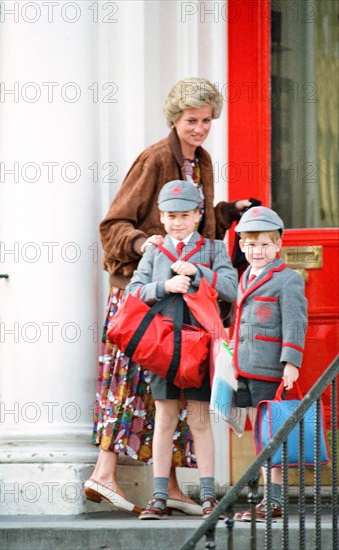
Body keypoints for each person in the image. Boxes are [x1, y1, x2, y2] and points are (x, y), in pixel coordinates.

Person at [85, 77, 251, 515]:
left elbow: (198, 226)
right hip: (143, 296)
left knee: (169, 396)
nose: (200, 128)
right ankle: (104, 474)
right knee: (132, 388)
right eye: (191, 120)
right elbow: (114, 226)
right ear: (175, 119)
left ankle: (173, 489)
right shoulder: (155, 158)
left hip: (186, 305)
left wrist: (228, 213)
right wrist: (148, 246)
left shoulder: (202, 160)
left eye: (207, 120)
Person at [125, 180, 238, 519]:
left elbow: (231, 289)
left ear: (198, 216)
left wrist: (198, 272)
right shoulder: (155, 251)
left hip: (201, 347)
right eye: (171, 216)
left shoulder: (215, 249)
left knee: (201, 421)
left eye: (185, 215)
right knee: (165, 419)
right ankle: (158, 497)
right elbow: (134, 291)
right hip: (163, 349)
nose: (177, 222)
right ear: (161, 217)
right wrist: (164, 286)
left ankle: (207, 496)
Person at [231, 206, 307, 522]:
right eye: (249, 244)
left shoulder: (287, 279)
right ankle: (265, 497)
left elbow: (295, 322)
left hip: (270, 369)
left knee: (270, 436)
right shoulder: (246, 275)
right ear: (241, 246)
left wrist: (291, 362)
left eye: (264, 244)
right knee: (258, 437)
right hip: (244, 367)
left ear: (277, 245)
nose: (256, 251)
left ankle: (273, 501)